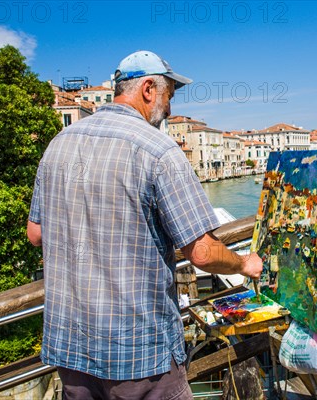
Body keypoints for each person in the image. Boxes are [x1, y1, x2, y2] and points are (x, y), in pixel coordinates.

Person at [27, 50, 263, 399]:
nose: (169, 109)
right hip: (139, 356)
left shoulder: (58, 144)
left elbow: (36, 234)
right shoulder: (159, 151)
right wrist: (245, 264)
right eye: (169, 96)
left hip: (72, 350)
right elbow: (200, 252)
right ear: (149, 89)